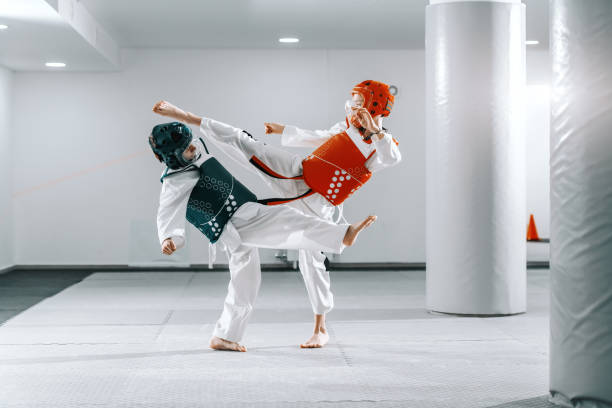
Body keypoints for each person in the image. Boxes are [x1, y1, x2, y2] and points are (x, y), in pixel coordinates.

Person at [152, 80, 400, 348]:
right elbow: (318, 136)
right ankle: (187, 116)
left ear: (375, 106)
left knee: (310, 259)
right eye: (353, 102)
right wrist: (286, 131)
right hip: (298, 172)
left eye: (359, 103)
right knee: (244, 142)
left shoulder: (380, 145)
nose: (353, 108)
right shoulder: (347, 127)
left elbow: (392, 157)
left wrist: (377, 134)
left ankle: (320, 328)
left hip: (321, 201)